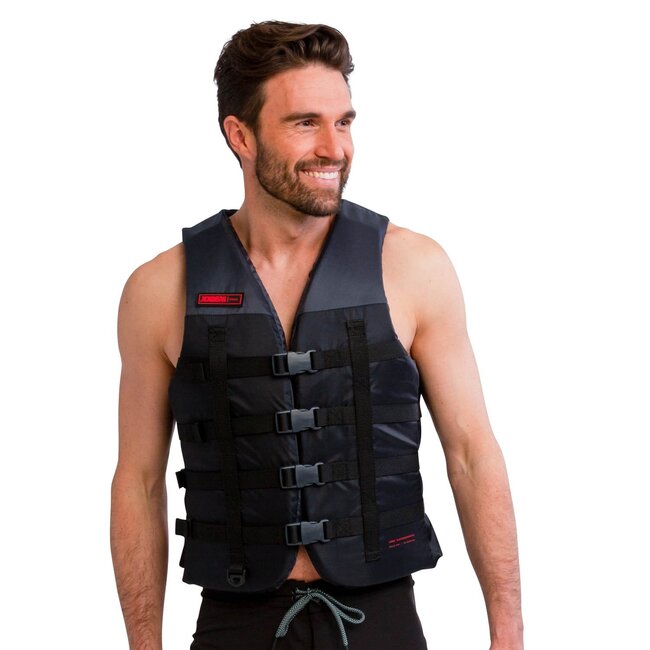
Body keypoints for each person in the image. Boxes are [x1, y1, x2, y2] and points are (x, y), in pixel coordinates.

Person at [111, 20, 524, 650]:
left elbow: (471, 453)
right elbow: (139, 480)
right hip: (236, 626)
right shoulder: (159, 290)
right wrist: (144, 644)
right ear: (240, 135)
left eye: (344, 122)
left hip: (380, 621)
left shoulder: (413, 268)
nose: (334, 148)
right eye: (306, 123)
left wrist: (508, 633)